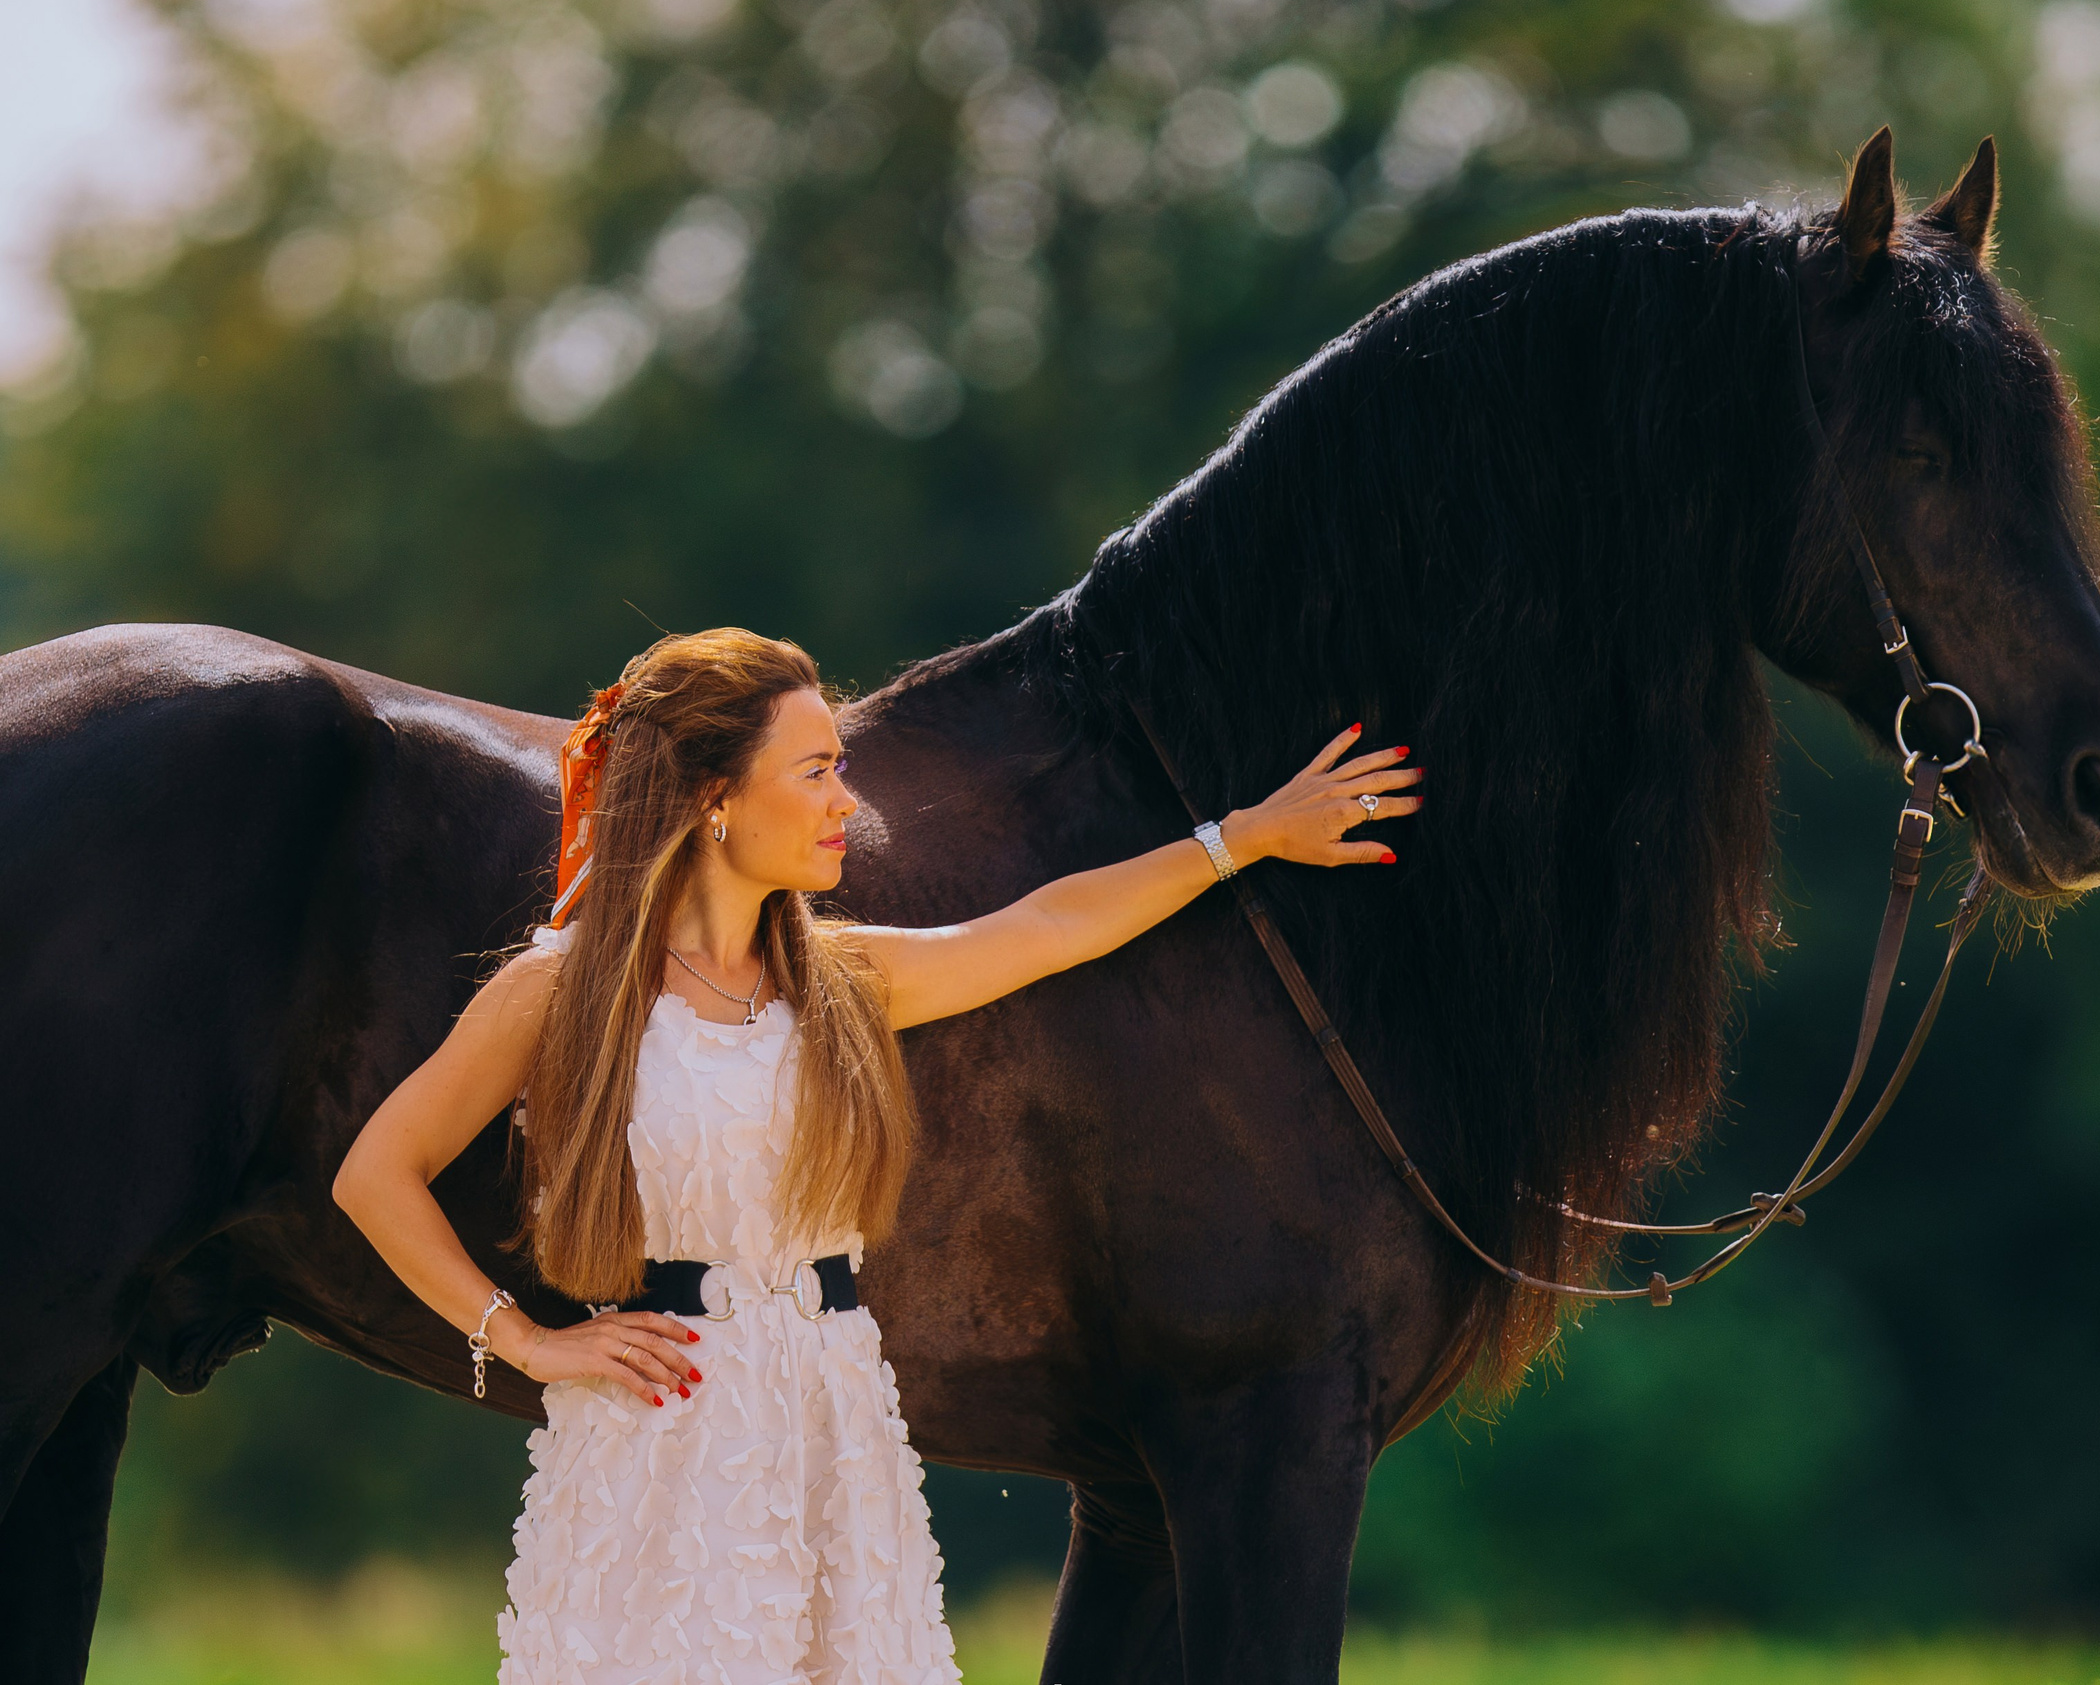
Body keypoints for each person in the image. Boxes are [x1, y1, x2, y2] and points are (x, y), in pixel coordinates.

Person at [332, 627, 1421, 1683]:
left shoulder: (837, 982)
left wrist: (1241, 837)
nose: (845, 799)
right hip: (660, 1440)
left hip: (833, 1420)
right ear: (714, 796)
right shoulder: (561, 989)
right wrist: (525, 1342)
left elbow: (1048, 927)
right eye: (813, 770)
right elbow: (375, 1174)